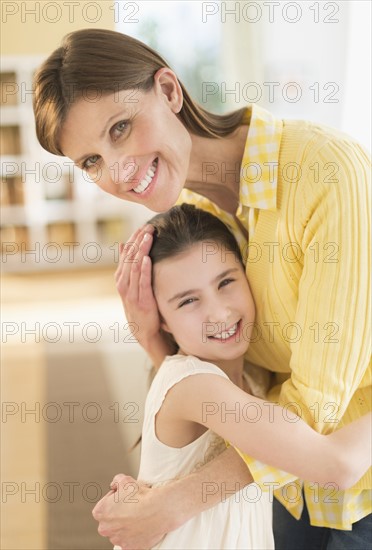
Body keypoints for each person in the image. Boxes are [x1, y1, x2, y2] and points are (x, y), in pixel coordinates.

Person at [33, 28, 371, 550]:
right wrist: (157, 342)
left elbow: (314, 415)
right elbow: (237, 390)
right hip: (284, 494)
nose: (117, 171)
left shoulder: (324, 174)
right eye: (91, 162)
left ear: (169, 90)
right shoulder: (203, 220)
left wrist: (175, 503)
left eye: (120, 128)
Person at [111, 203, 369, 550]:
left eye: (226, 281)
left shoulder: (250, 376)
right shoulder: (194, 386)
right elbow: (337, 466)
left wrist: (150, 336)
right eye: (188, 301)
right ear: (163, 319)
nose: (219, 312)